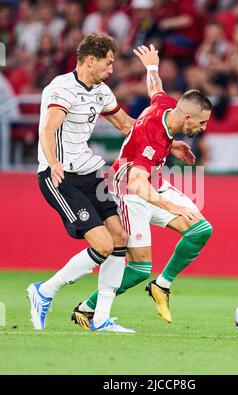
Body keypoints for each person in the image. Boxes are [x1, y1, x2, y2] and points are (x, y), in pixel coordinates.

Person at [72, 44, 213, 328]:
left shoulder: (166, 107)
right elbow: (137, 184)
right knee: (138, 269)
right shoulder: (153, 135)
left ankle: (161, 285)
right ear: (187, 117)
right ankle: (86, 309)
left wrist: (151, 67)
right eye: (201, 122)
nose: (204, 128)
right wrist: (171, 205)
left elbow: (155, 88)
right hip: (128, 192)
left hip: (153, 185)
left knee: (201, 230)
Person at [27, 33, 138, 333]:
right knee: (101, 244)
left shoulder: (101, 91)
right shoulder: (62, 89)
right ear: (90, 60)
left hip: (90, 173)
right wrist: (53, 163)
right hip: (59, 177)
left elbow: (128, 125)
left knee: (120, 239)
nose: (112, 70)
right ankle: (45, 291)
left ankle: (100, 318)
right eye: (108, 63)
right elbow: (48, 129)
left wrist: (168, 140)